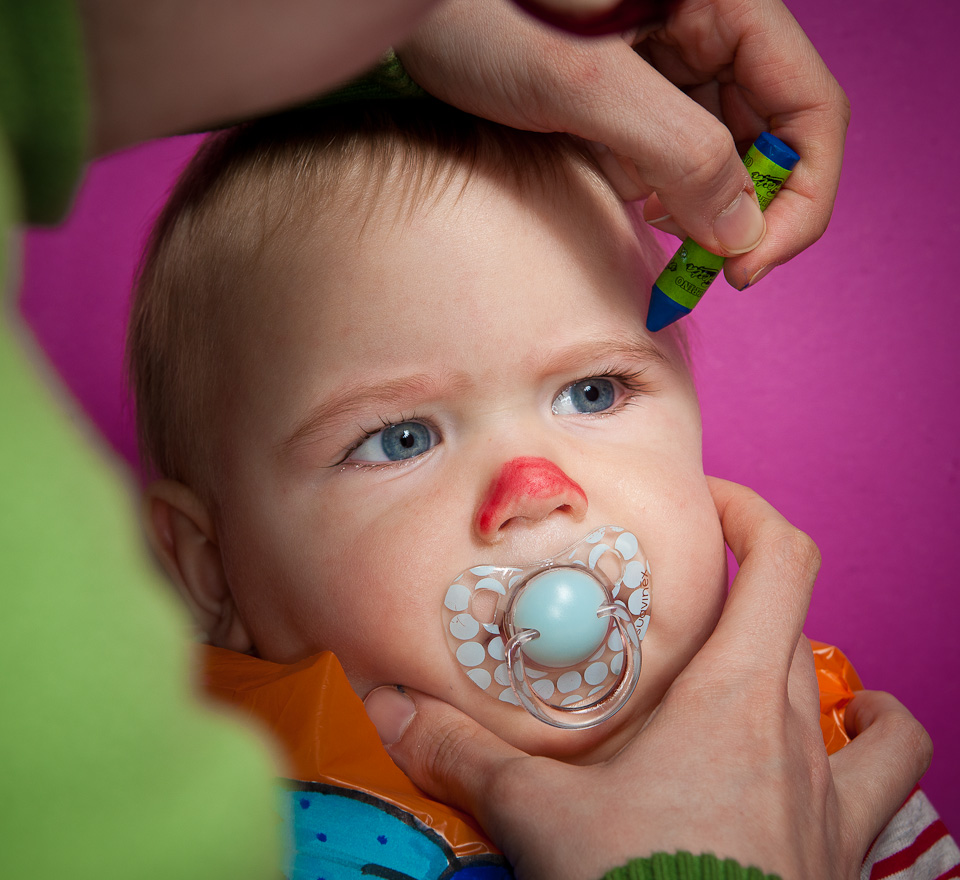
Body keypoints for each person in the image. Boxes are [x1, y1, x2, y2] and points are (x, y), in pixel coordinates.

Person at [0, 1, 908, 878]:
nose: (534, 484)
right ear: (208, 567)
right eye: (400, 438)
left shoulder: (823, 779)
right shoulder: (219, 843)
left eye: (594, 391)